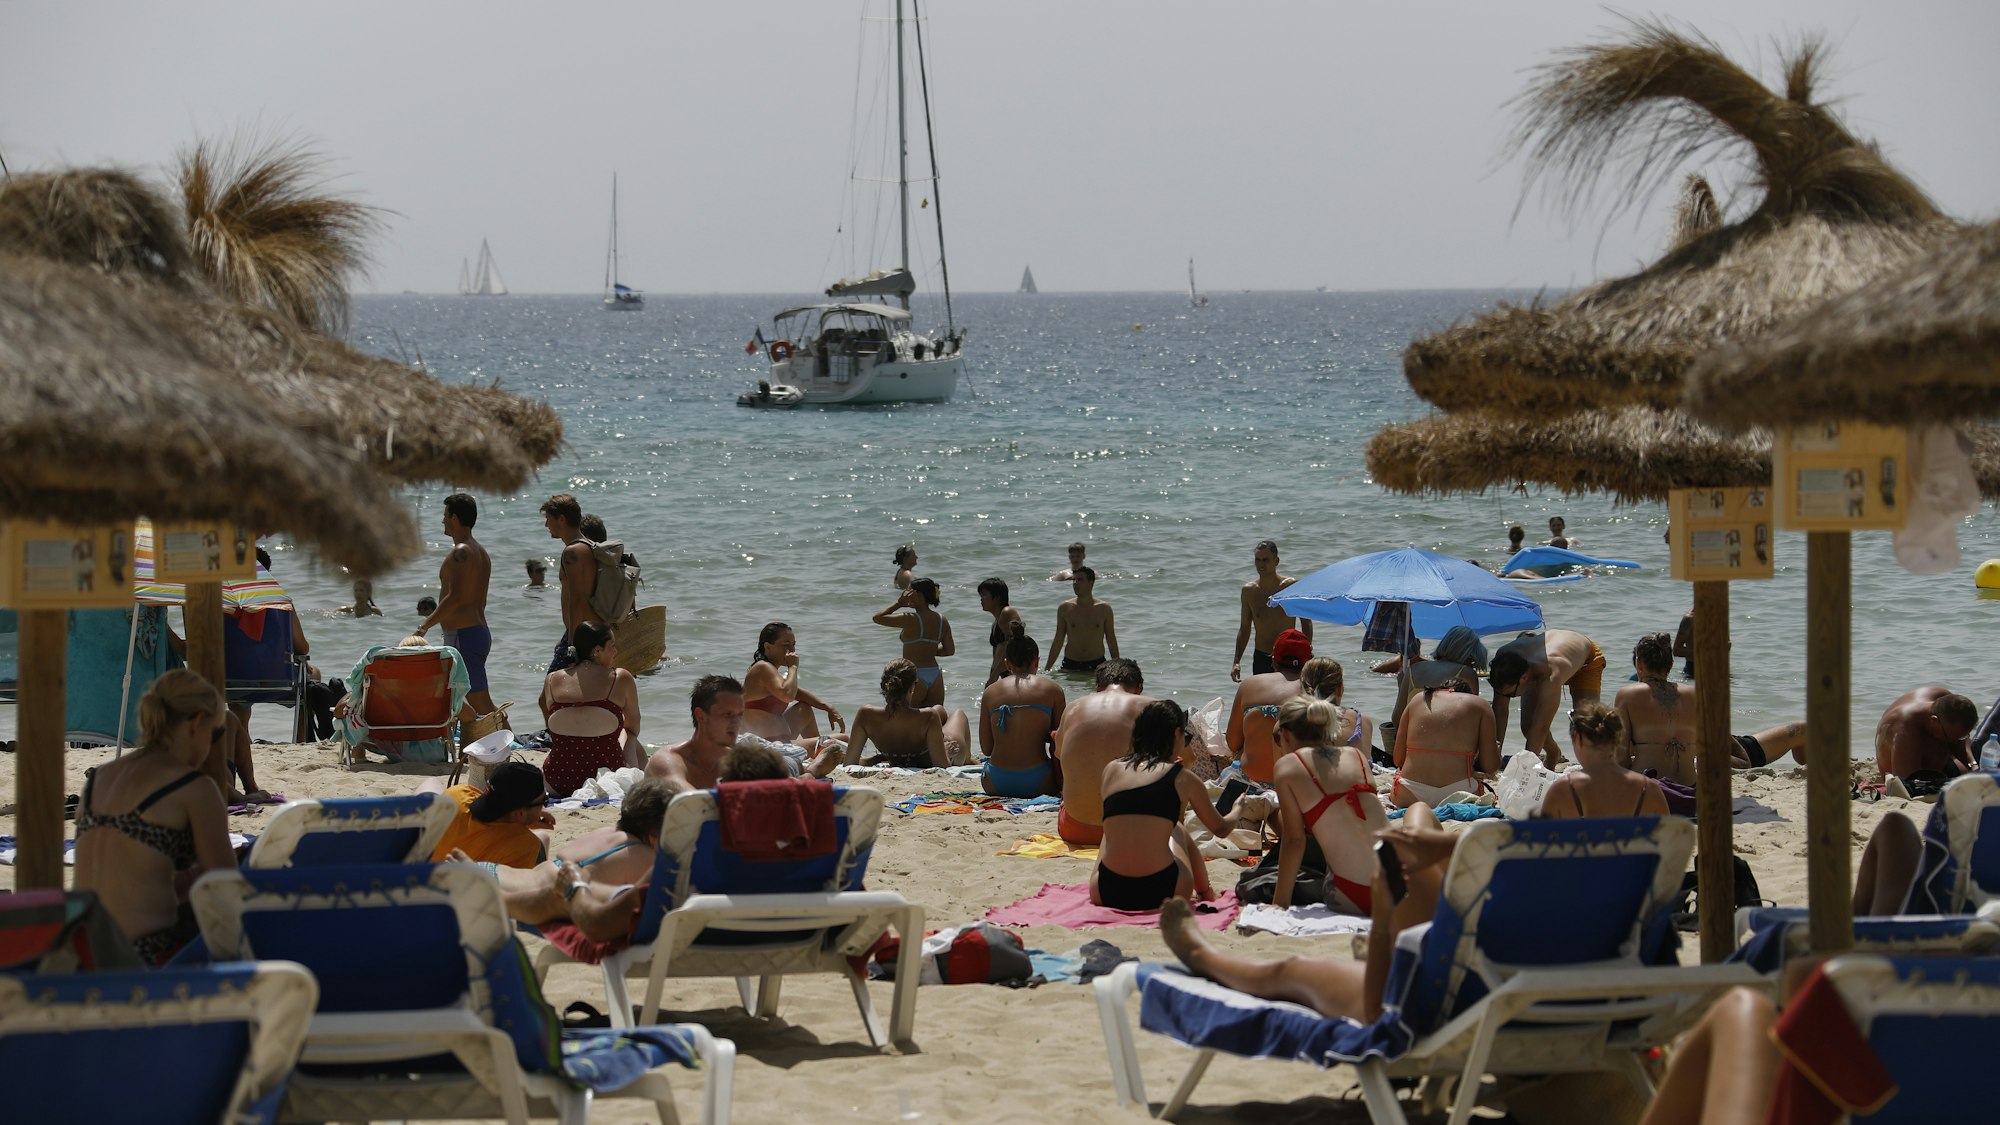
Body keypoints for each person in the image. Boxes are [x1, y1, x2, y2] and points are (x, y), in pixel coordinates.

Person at [1157, 810, 1453, 1024]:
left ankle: (1201, 955)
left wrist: (1383, 920)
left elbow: (1376, 1010)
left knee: (1292, 971)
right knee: (1417, 816)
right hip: (1469, 970)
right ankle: (1389, 946)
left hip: (1428, 999)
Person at [72, 670, 235, 964]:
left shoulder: (98, 778)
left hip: (82, 954)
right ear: (197, 723)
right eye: (216, 733)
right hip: (143, 958)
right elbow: (225, 887)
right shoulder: (193, 787)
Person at [1094, 699, 1270, 910]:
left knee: (1111, 830)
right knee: (1177, 829)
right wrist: (1238, 808)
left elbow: (1137, 810)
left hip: (1105, 891)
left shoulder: (1111, 770)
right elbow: (1221, 829)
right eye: (1186, 738)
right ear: (1176, 734)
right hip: (1164, 890)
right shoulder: (1183, 778)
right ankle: (1205, 892)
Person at [471, 778, 675, 943]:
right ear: (656, 832)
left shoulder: (606, 833)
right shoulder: (645, 856)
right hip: (502, 896)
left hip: (491, 873)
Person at [1617, 633, 1810, 784]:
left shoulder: (1627, 696)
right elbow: (1741, 757)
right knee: (1801, 730)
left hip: (1650, 783)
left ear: (1639, 663)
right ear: (1670, 664)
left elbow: (1620, 758)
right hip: (1695, 778)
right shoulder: (1694, 696)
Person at [1270, 695, 1388, 913]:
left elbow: (1294, 841)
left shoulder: (1287, 766)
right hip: (1398, 889)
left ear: (1285, 734)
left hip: (1352, 895)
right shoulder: (1357, 756)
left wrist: (1280, 903)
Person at [413, 492, 495, 726]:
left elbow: (455, 597)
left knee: (480, 701)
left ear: (455, 518)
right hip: (475, 631)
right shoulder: (480, 552)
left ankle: (511, 745)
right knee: (460, 698)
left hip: (464, 635)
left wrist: (423, 626)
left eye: (445, 516)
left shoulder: (461, 552)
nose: (442, 521)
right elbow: (478, 599)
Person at [1053, 658, 1153, 846]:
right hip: (1130, 830)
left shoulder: (1073, 708)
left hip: (1075, 829)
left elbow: (1059, 754)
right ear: (1139, 688)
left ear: (1098, 688)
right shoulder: (1151, 707)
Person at [538, 621, 643, 797]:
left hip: (558, 781)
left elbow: (552, 722)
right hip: (608, 779)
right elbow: (634, 726)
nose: (616, 652)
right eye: (612, 646)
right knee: (629, 733)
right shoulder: (620, 678)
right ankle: (638, 786)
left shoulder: (551, 680)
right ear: (597, 650)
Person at [1391, 645, 1497, 808]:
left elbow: (1398, 759)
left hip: (1410, 793)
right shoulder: (1481, 705)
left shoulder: (1419, 699)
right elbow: (1490, 766)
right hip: (1459, 792)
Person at [1488, 628, 1606, 768]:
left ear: (1524, 678)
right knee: (1527, 726)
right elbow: (1500, 710)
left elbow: (1541, 726)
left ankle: (1595, 768)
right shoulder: (1503, 661)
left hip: (1587, 661)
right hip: (1543, 660)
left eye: (1510, 695)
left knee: (1585, 725)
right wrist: (1494, 755)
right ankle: (1553, 753)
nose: (1506, 697)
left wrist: (1524, 770)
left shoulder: (1550, 673)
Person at [1541, 704, 1670, 818]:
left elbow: (1541, 842)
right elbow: (1669, 841)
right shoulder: (1648, 789)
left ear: (1579, 740)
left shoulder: (1563, 789)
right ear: (1618, 740)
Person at [977, 634, 1067, 796]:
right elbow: (1059, 742)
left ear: (1007, 664)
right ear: (1037, 662)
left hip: (995, 781)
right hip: (1039, 781)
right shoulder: (1053, 690)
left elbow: (986, 748)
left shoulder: (990, 692)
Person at [843, 659, 972, 768]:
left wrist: (876, 759)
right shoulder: (929, 716)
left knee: (939, 710)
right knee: (958, 714)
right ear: (912, 688)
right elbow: (943, 768)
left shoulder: (866, 715)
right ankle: (968, 760)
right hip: (943, 754)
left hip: (904, 752)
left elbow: (850, 764)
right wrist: (945, 751)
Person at [424, 761, 554, 868]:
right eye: (543, 801)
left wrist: (528, 818)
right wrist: (524, 822)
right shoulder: (525, 846)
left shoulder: (458, 793)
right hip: (457, 893)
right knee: (543, 838)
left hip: (421, 872)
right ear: (519, 813)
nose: (543, 806)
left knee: (431, 783)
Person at [1225, 627, 1312, 784]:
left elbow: (1232, 742)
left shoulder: (1249, 685)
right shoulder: (1315, 690)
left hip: (1248, 782)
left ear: (1273, 660)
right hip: (1296, 784)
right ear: (1310, 661)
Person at [743, 622, 844, 741]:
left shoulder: (770, 671)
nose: (791, 650)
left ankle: (817, 753)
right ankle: (819, 751)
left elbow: (797, 693)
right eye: (786, 645)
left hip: (779, 740)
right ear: (768, 647)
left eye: (793, 645)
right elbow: (787, 695)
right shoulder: (762, 667)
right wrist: (793, 667)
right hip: (768, 746)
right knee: (844, 739)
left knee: (804, 709)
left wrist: (827, 707)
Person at [646, 675, 745, 792]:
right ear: (701, 716)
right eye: (728, 714)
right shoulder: (668, 760)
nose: (737, 723)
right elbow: (689, 798)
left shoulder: (737, 763)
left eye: (740, 715)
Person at [1231, 539, 1311, 682]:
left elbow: (1306, 622)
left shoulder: (1290, 587)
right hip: (1262, 656)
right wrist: (1236, 661)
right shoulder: (1249, 591)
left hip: (1289, 656)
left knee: (1288, 701)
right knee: (1263, 702)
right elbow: (1244, 629)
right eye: (1258, 560)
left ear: (1276, 561)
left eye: (1266, 560)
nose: (1261, 564)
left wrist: (1307, 653)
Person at [541, 492, 600, 672]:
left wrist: (572, 644)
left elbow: (577, 600)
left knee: (550, 695)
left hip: (584, 635)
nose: (546, 525)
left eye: (548, 519)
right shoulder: (588, 546)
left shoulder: (572, 553)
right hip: (595, 631)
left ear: (561, 519)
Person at [872, 578, 953, 707]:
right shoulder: (942, 620)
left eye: (908, 592)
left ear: (919, 595)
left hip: (914, 675)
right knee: (934, 719)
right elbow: (949, 651)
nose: (905, 594)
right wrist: (928, 649)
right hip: (935, 674)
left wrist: (899, 603)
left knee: (905, 718)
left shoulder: (910, 619)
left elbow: (877, 618)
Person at [1874, 686, 1978, 782]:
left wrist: (1972, 765)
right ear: (1934, 720)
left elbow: (1959, 741)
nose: (1955, 742)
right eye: (1951, 738)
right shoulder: (1906, 728)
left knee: (1966, 773)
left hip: (1936, 757)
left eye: (1961, 737)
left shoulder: (1945, 699)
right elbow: (1905, 784)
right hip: (1903, 768)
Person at [1048, 566, 1118, 673]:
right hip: (1070, 664)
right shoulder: (1065, 608)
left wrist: (1117, 667)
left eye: (1080, 580)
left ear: (1091, 583)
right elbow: (1058, 639)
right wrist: (1047, 669)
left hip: (1097, 664)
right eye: (1074, 580)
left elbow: (1111, 639)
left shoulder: (1104, 609)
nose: (1075, 583)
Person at [977, 577, 1026, 685]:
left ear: (997, 597)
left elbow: (1011, 648)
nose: (981, 599)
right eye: (980, 595)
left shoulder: (1007, 612)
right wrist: (992, 677)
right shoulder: (997, 620)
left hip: (1015, 676)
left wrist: (993, 678)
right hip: (1004, 675)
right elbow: (997, 653)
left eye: (984, 594)